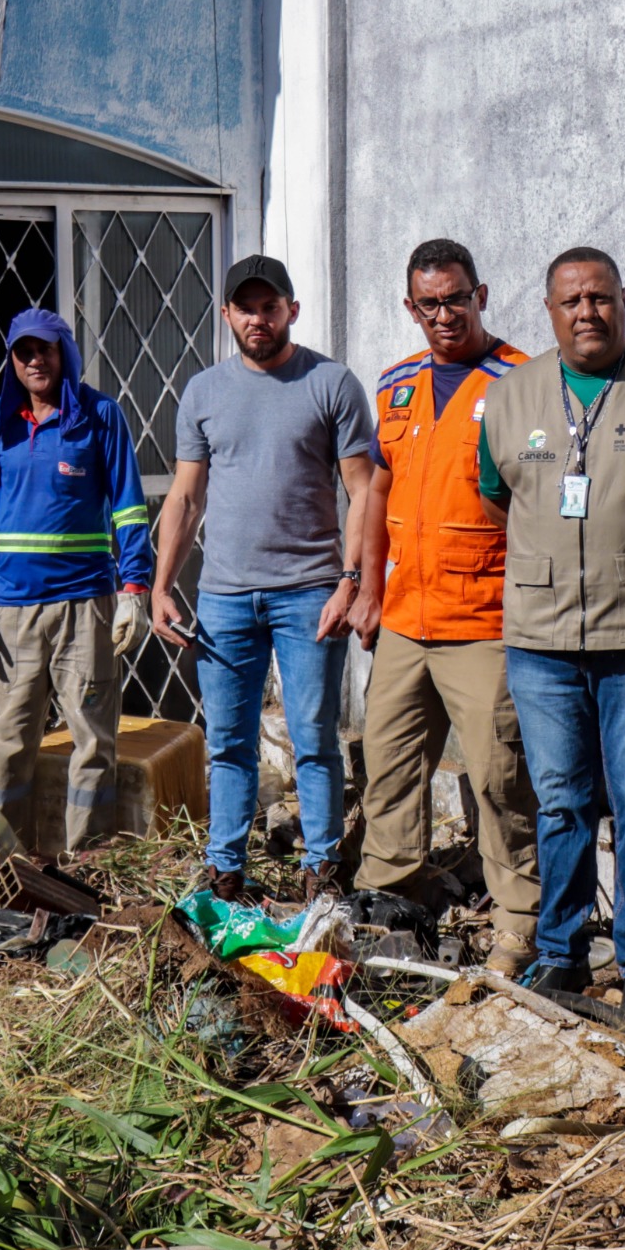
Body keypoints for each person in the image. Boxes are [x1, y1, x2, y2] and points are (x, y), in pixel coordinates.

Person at [479, 247, 625, 1030]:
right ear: (549, 309)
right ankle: (562, 949)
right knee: (561, 802)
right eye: (571, 300)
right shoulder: (510, 398)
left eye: (601, 297)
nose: (587, 312)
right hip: (539, 641)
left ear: (624, 301)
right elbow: (498, 494)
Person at [346, 239, 544, 973]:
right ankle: (385, 908)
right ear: (410, 307)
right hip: (404, 616)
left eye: (456, 298)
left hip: (485, 621)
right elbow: (376, 495)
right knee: (389, 768)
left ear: (481, 295)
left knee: (499, 778)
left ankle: (519, 924)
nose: (444, 314)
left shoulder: (524, 380)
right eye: (428, 303)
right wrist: (365, 588)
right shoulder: (396, 385)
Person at [151, 254, 376, 897]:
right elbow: (186, 498)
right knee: (227, 742)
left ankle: (321, 870)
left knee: (313, 738)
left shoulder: (330, 383)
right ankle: (225, 869)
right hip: (223, 596)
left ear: (292, 311)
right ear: (227, 315)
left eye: (270, 306)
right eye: (245, 307)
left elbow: (362, 491)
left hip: (309, 592)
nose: (258, 318)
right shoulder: (203, 391)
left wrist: (351, 579)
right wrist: (162, 585)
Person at [0, 308, 151, 858]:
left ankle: (86, 867)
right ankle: (4, 866)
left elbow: (130, 509)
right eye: (23, 352)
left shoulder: (100, 417)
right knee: (11, 742)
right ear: (12, 361)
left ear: (65, 353)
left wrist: (134, 590)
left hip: (85, 606)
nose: (34, 360)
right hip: (13, 611)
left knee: (92, 742)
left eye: (45, 349)